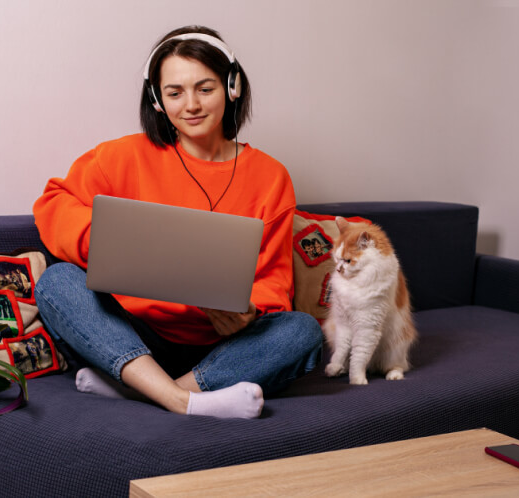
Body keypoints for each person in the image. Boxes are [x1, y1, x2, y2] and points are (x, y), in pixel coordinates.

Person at [33, 25, 322, 419]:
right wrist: (109, 243)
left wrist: (249, 312)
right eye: (175, 93)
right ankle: (180, 401)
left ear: (232, 87)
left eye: (205, 89)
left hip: (219, 347)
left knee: (302, 332)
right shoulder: (122, 156)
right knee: (57, 282)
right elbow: (53, 204)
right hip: (129, 334)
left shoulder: (271, 176)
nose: (191, 105)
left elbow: (272, 280)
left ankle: (146, 391)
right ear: (157, 99)